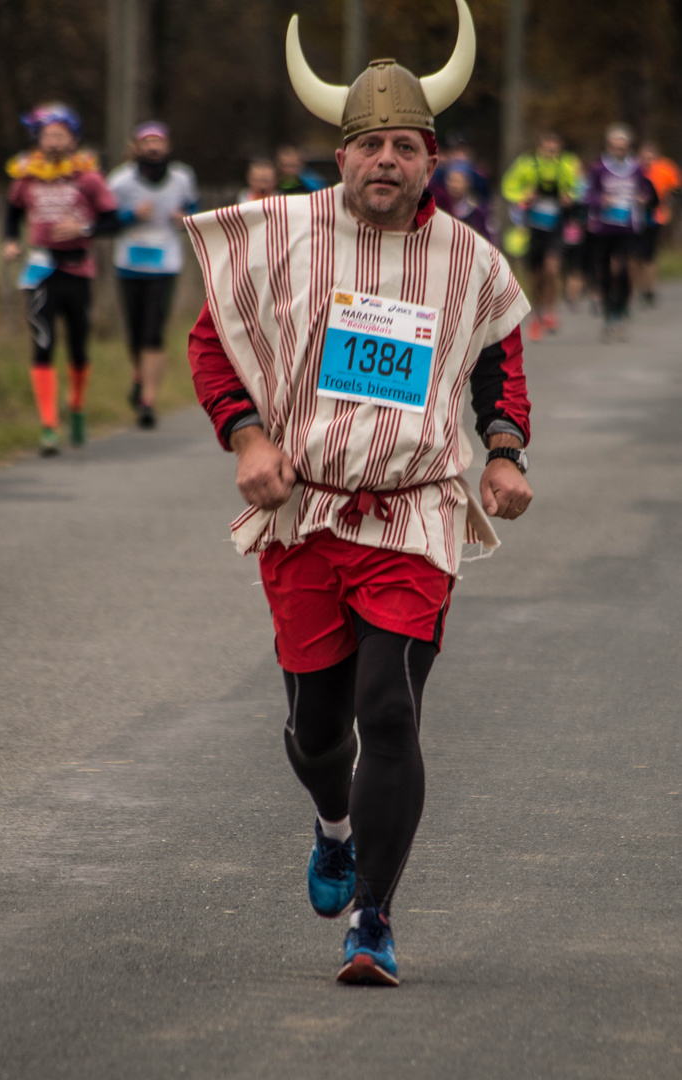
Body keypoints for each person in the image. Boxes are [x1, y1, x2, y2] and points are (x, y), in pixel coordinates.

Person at [186, 0, 532, 987]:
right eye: (370, 142)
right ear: (341, 158)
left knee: (389, 713)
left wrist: (502, 452)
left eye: (406, 144)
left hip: (413, 511)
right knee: (316, 728)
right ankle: (332, 824)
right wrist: (247, 436)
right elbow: (214, 343)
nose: (387, 158)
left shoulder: (469, 259)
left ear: (432, 159)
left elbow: (498, 365)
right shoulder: (284, 240)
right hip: (305, 511)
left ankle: (372, 918)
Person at [2, 103, 119, 455]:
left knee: (79, 346)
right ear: (37, 140)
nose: (53, 142)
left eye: (60, 135)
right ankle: (48, 427)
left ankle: (78, 406)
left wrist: (83, 227)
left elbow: (113, 221)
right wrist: (10, 242)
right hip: (40, 271)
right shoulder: (25, 178)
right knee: (42, 344)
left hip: (78, 270)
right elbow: (12, 214)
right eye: (47, 135)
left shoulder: (89, 178)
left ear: (73, 139)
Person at [107, 121, 199, 428]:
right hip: (129, 263)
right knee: (134, 334)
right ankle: (138, 374)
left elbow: (195, 212)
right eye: (146, 141)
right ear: (136, 147)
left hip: (165, 264)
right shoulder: (120, 182)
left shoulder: (182, 178)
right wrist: (131, 215)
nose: (153, 147)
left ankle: (148, 400)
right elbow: (105, 221)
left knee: (153, 332)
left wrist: (183, 219)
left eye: (158, 141)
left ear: (168, 146)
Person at [501, 132, 581, 340]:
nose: (550, 150)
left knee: (552, 269)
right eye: (547, 146)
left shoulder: (567, 165)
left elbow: (581, 187)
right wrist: (523, 196)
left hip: (555, 228)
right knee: (536, 277)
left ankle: (550, 310)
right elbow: (508, 187)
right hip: (531, 229)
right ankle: (537, 315)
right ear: (540, 146)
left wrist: (569, 196)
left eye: (555, 147)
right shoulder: (527, 164)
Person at [586, 123, 657, 341]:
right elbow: (587, 195)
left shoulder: (636, 169)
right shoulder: (598, 168)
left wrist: (644, 199)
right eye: (615, 146)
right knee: (607, 271)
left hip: (629, 226)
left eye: (622, 146)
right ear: (608, 146)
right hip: (604, 228)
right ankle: (609, 312)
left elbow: (650, 195)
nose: (619, 150)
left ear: (628, 147)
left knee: (626, 269)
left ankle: (620, 307)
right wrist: (600, 201)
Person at [635, 140, 681, 306]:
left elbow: (676, 189)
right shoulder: (635, 169)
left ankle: (650, 289)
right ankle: (640, 288)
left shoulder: (665, 168)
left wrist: (669, 204)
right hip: (635, 217)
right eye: (644, 157)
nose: (647, 160)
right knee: (637, 255)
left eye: (650, 157)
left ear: (656, 156)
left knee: (649, 255)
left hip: (656, 217)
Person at [432, 161, 492, 241]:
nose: (454, 185)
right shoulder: (437, 207)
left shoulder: (476, 212)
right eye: (451, 180)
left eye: (459, 181)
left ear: (468, 183)